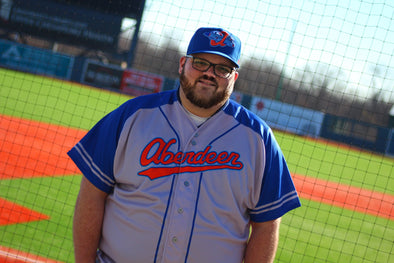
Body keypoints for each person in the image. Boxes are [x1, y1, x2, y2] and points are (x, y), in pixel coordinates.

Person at [68, 27, 301, 263]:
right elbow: (91, 195)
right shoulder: (131, 116)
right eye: (200, 62)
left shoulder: (258, 139)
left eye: (222, 69)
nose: (210, 73)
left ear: (234, 78)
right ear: (182, 64)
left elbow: (266, 226)